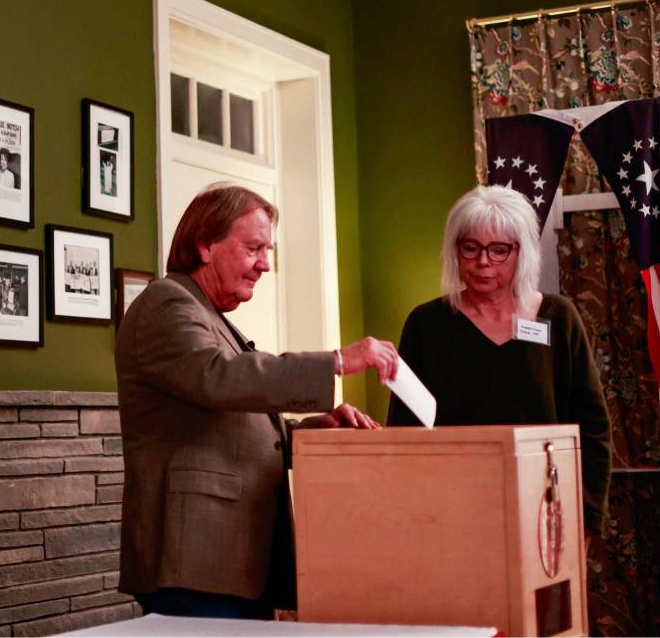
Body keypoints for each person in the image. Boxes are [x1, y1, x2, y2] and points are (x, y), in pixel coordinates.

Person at [116, 183, 398, 620]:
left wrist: (308, 433)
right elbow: (220, 378)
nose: (265, 264)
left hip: (234, 560)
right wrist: (339, 361)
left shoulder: (208, 314)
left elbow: (233, 422)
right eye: (253, 248)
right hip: (194, 562)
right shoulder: (166, 303)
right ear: (205, 244)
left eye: (268, 250)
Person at [387, 185, 612, 542]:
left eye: (499, 250)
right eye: (470, 248)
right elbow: (404, 432)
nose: (482, 262)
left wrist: (586, 519)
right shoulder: (426, 324)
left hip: (546, 510)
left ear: (521, 253)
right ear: (455, 251)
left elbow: (593, 426)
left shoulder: (558, 318)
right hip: (452, 515)